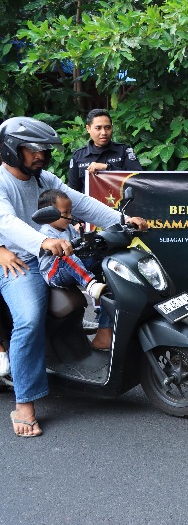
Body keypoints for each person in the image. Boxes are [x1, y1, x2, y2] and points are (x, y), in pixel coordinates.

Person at [0, 116, 148, 437]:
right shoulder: (1, 182)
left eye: (44, 150)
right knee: (29, 319)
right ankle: (24, 403)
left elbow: (80, 203)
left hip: (54, 253)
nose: (41, 155)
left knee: (110, 266)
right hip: (19, 261)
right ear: (12, 149)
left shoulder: (44, 179)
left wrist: (123, 220)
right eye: (33, 150)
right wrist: (42, 241)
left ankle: (104, 334)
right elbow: (6, 221)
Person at [35, 189, 115, 349]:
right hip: (55, 273)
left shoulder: (69, 228)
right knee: (65, 255)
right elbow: (65, 253)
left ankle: (103, 312)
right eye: (65, 213)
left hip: (73, 268)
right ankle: (90, 285)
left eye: (70, 212)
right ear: (48, 215)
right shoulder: (45, 232)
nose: (70, 216)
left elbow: (80, 244)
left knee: (100, 259)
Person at [67, 109, 142, 193]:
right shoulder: (78, 156)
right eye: (98, 128)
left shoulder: (124, 151)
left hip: (121, 200)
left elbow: (139, 180)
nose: (104, 132)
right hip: (90, 201)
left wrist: (108, 168)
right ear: (88, 129)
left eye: (107, 128)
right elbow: (73, 192)